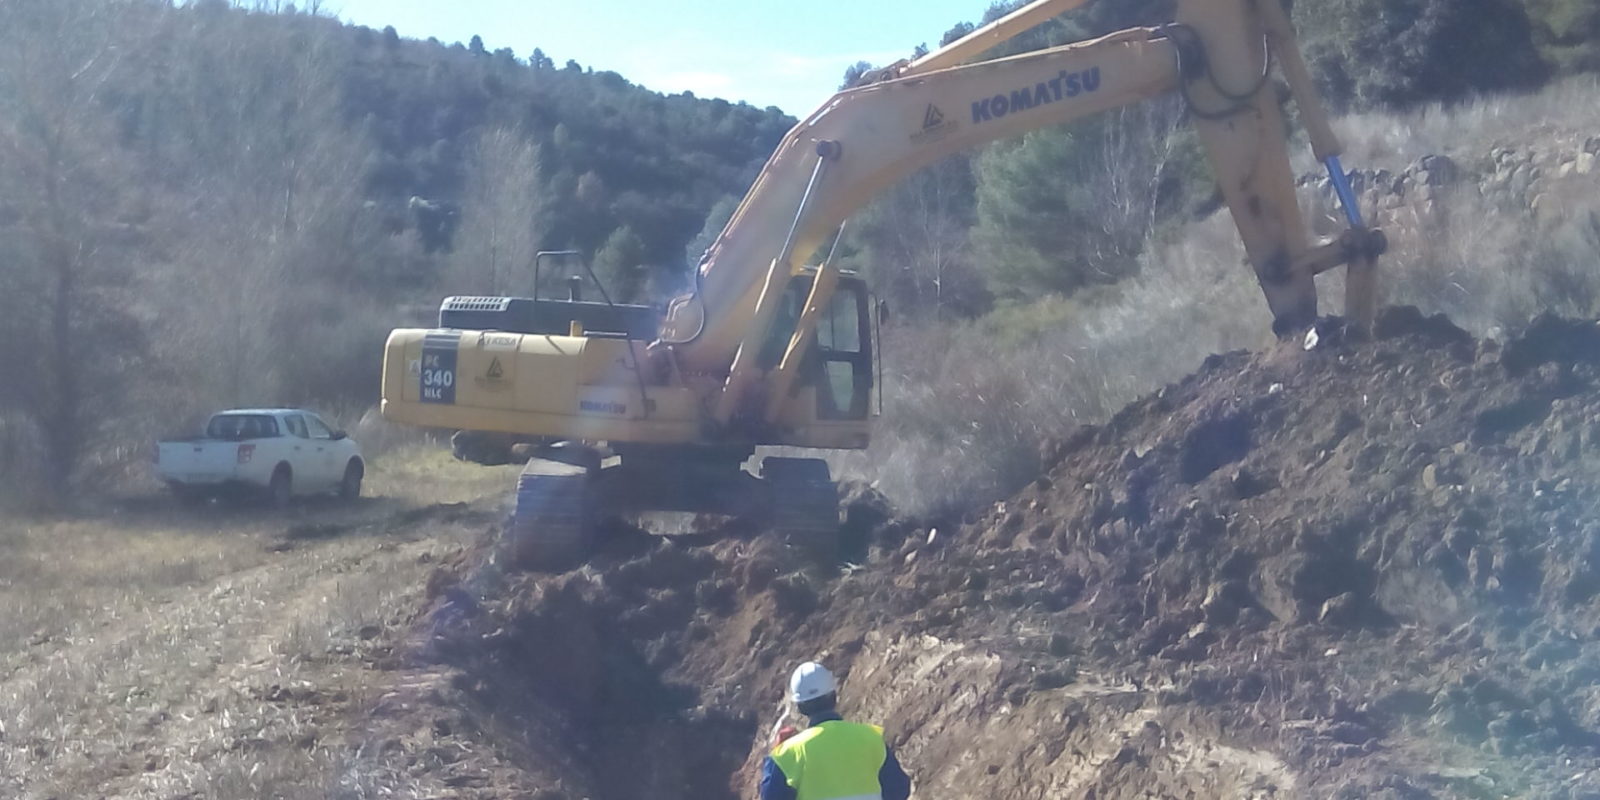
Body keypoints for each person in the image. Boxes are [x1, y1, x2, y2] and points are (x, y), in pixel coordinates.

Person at [759, 661, 913, 800]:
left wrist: (778, 751)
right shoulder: (870, 738)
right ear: (834, 696)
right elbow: (899, 789)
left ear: (800, 707)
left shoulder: (788, 754)